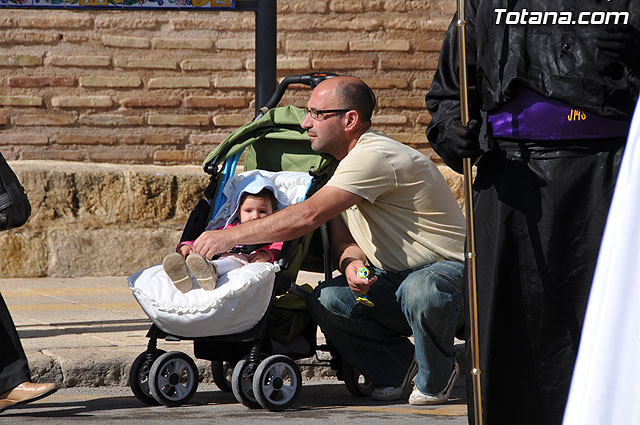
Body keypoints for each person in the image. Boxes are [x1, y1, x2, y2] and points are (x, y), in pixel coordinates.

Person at [190, 76, 467, 405]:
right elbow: (343, 240)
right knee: (328, 299)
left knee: (422, 289)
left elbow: (308, 215)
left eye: (317, 114)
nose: (306, 123)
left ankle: (438, 375)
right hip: (396, 280)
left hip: (454, 281)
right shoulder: (337, 169)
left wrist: (228, 236)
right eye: (308, 113)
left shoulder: (373, 156)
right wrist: (351, 263)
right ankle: (399, 368)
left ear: (349, 119)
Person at [425, 2, 640, 424]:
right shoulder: (480, 3)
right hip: (511, 185)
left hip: (611, 179)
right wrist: (451, 131)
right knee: (509, 333)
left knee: (607, 325)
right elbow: (450, 93)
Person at [163, 176, 283, 293]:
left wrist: (267, 254)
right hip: (219, 257)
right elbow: (208, 237)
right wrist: (188, 246)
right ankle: (184, 275)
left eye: (262, 211)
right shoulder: (228, 228)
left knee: (234, 260)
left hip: (243, 261)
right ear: (238, 212)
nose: (255, 216)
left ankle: (211, 270)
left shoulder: (272, 233)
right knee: (203, 256)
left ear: (273, 214)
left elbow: (280, 247)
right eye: (248, 211)